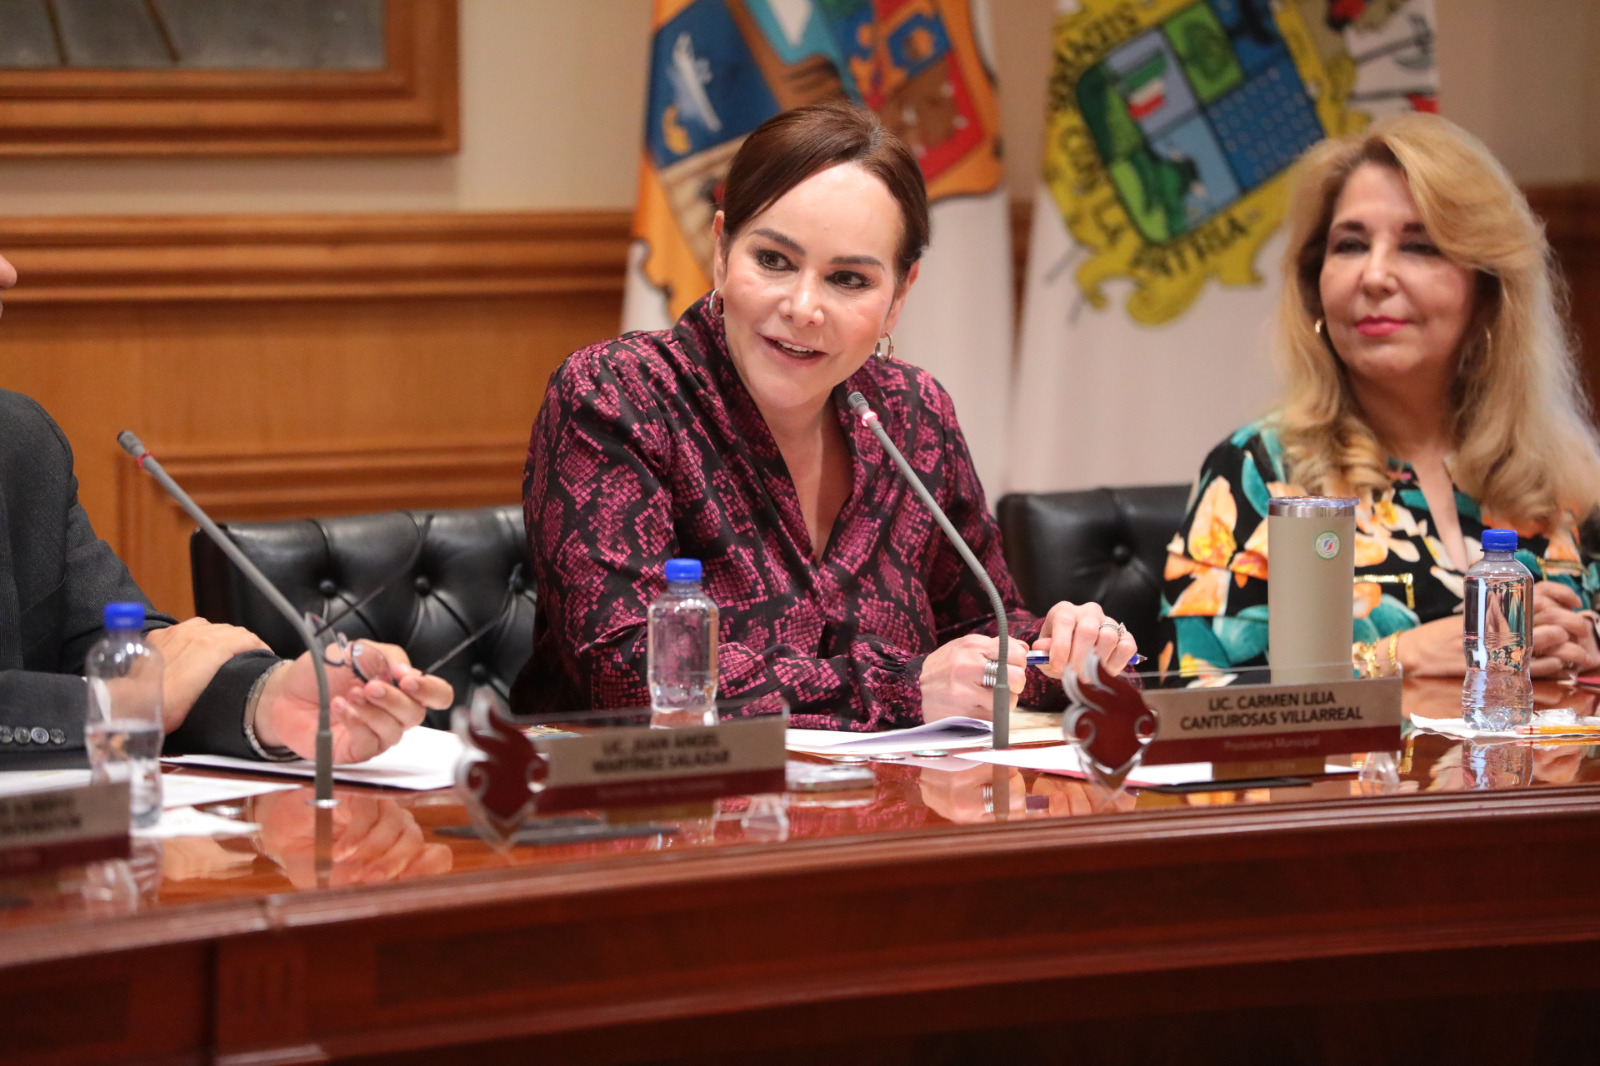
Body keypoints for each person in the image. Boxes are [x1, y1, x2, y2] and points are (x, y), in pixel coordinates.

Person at [514, 102, 1138, 731]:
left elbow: (981, 631)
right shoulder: (619, 394)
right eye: (774, 261)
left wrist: (1071, 656)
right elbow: (626, 671)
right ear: (722, 249)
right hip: (651, 813)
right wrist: (904, 689)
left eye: (847, 279)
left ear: (899, 296)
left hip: (894, 814)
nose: (804, 307)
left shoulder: (915, 416)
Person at [1162, 112, 1600, 680]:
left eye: (1418, 246)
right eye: (1350, 245)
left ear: (1487, 291)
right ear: (1315, 288)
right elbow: (1190, 686)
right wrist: (1397, 657)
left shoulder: (1570, 476)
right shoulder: (1258, 470)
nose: (1374, 276)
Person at [0, 250, 453, 766]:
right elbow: (137, 693)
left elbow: (122, 648)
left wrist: (268, 698)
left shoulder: (21, 441)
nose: (7, 273)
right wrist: (112, 704)